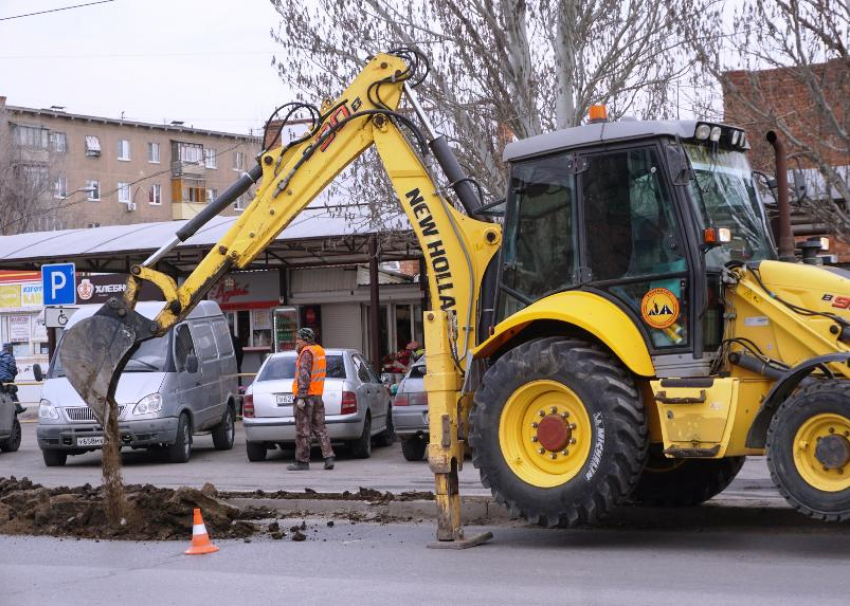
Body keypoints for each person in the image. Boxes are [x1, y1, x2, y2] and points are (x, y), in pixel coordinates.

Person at [288, 327, 335, 471]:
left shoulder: (307, 353)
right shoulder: (319, 351)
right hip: (317, 395)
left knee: (303, 429)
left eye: (299, 339)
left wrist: (301, 397)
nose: (296, 341)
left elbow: (304, 375)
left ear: (306, 340)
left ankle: (302, 461)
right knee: (320, 427)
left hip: (306, 396)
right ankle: (328, 457)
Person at [0, 343, 24, 414]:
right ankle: (18, 408)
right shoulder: (10, 357)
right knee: (12, 394)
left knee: (2, 394)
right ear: (10, 349)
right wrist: (13, 375)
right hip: (7, 378)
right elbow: (13, 369)